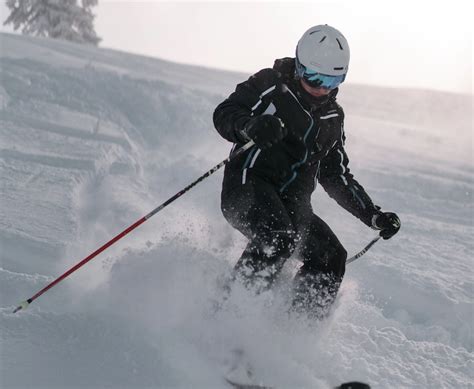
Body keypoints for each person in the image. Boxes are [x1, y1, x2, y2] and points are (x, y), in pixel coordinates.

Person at [213, 25, 400, 318]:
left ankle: (291, 333)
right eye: (314, 77)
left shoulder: (332, 117)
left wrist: (372, 215)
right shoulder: (271, 85)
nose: (322, 87)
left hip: (293, 205)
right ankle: (227, 319)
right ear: (299, 66)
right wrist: (248, 125)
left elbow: (335, 174)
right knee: (278, 237)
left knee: (331, 258)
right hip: (247, 186)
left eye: (333, 80)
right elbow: (225, 112)